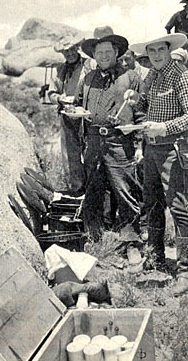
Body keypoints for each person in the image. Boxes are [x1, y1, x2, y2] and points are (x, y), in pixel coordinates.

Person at [125, 33, 188, 295]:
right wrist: (136, 99)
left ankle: (185, 271)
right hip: (151, 149)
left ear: (169, 50)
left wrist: (163, 127)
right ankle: (156, 259)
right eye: (152, 51)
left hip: (174, 149)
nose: (156, 54)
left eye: (160, 49)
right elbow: (146, 104)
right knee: (152, 203)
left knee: (178, 207)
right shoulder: (151, 76)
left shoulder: (184, 77)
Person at [76, 32, 143, 241]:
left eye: (108, 51)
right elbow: (77, 104)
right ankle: (94, 237)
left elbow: (141, 112)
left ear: (116, 53)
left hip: (120, 142)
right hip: (93, 141)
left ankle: (131, 240)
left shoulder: (131, 77)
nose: (103, 56)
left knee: (125, 190)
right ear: (94, 55)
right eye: (99, 52)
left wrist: (140, 145)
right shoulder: (88, 78)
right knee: (93, 189)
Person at [46, 35, 86, 193]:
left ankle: (93, 191)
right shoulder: (60, 70)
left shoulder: (88, 65)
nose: (69, 54)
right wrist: (59, 99)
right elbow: (51, 92)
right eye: (65, 51)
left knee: (89, 153)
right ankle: (76, 189)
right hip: (66, 115)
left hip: (86, 115)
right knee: (70, 155)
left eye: (71, 49)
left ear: (77, 48)